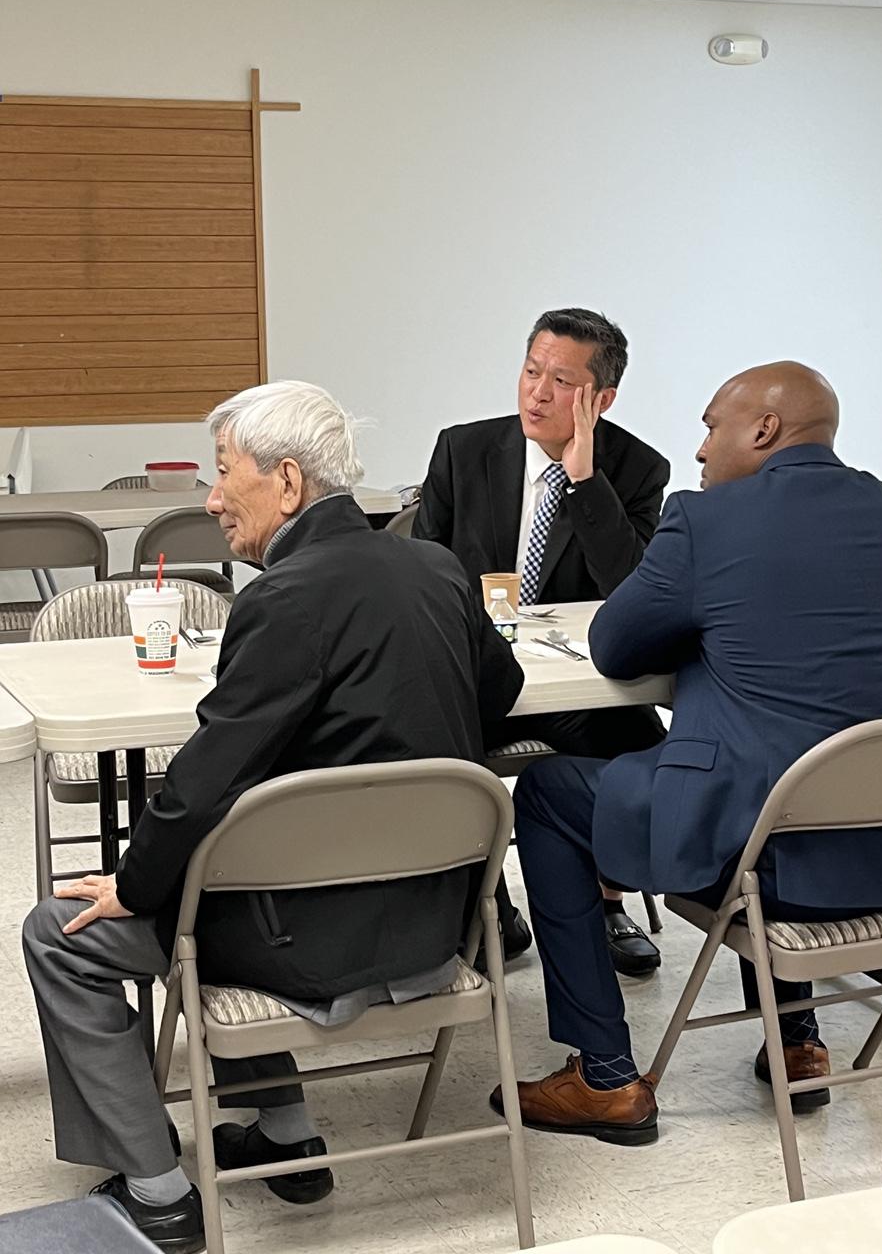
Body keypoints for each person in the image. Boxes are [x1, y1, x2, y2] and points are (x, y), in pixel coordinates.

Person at [23, 381, 524, 1253]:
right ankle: (286, 1138)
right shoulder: (436, 568)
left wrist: (133, 886)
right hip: (437, 928)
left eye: (224, 473)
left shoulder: (286, 597)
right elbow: (502, 690)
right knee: (229, 873)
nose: (212, 498)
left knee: (64, 932)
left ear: (287, 483)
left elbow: (201, 784)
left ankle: (158, 1195)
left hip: (309, 944)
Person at [490, 361, 882, 1145]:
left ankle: (604, 1077)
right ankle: (797, 1041)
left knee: (546, 791)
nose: (701, 450)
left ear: (765, 429)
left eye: (711, 427)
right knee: (778, 765)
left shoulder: (706, 521)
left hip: (763, 862)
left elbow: (615, 646)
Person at [414, 307, 670, 976]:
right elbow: (422, 569)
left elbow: (634, 591)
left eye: (561, 382)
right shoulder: (464, 451)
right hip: (477, 678)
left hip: (571, 686)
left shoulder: (637, 469)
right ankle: (488, 903)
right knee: (423, 734)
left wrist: (585, 482)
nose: (537, 394)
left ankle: (606, 900)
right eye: (532, 372)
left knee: (640, 745)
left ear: (601, 399)